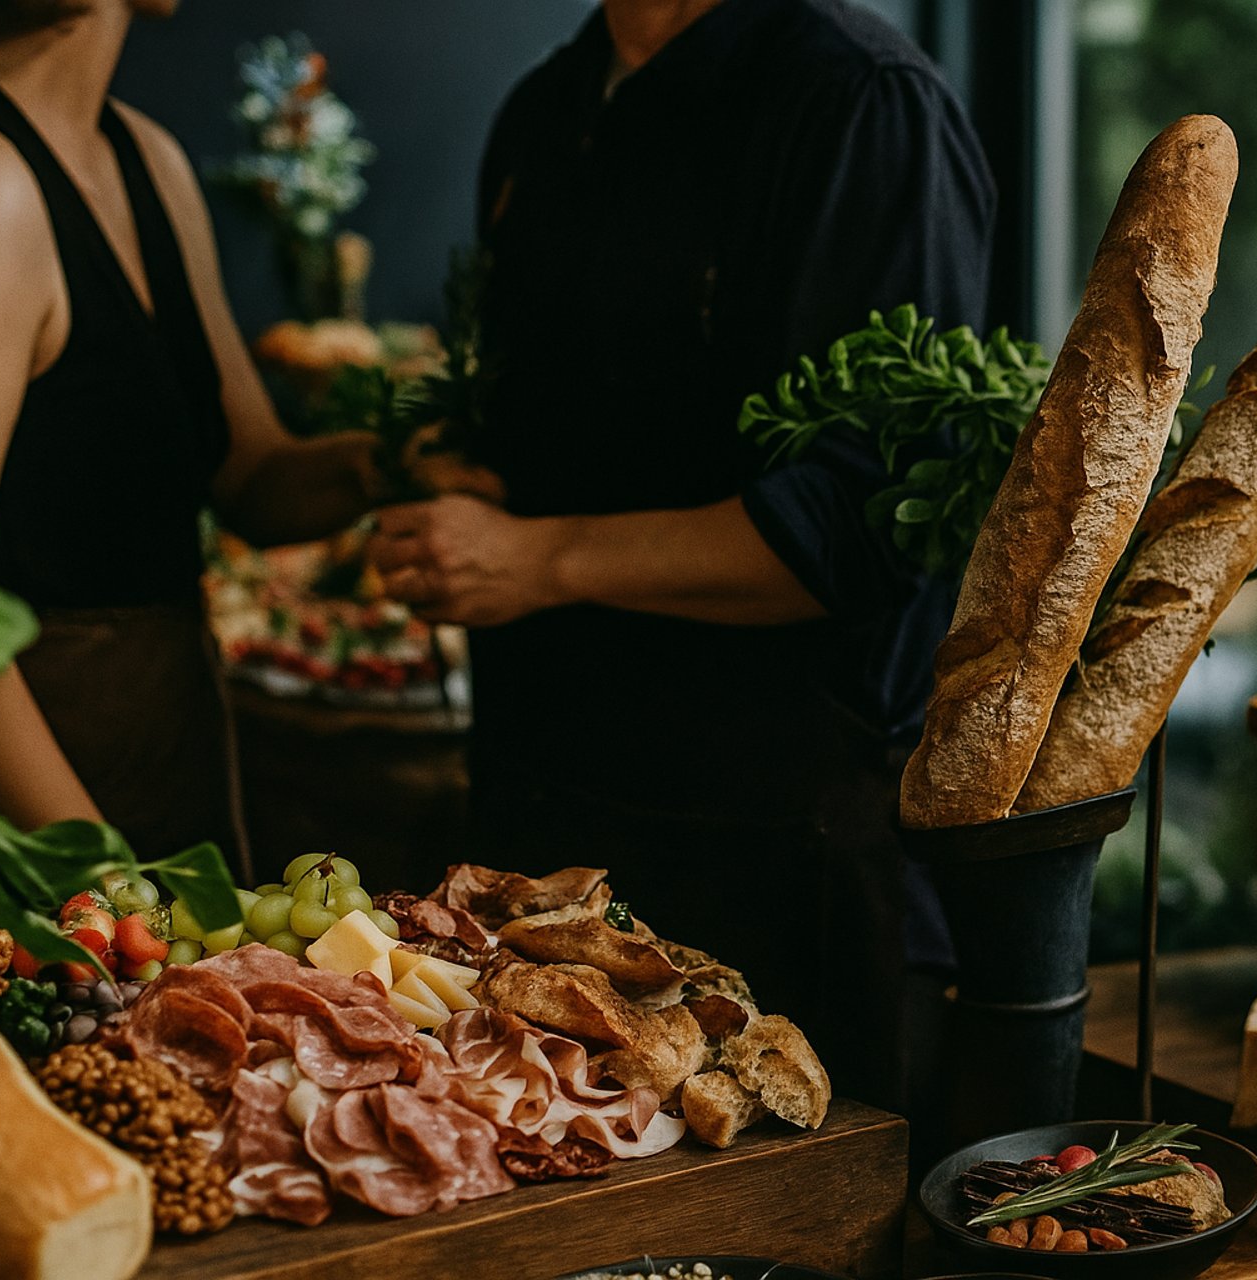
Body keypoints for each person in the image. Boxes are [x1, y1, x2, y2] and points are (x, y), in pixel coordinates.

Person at [367, 0, 995, 1109]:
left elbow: (856, 530)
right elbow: (579, 430)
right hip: (543, 835)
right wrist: (470, 471)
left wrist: (538, 558)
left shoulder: (861, 103)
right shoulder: (545, 109)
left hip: (769, 856)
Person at [0, 0, 383, 868]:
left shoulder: (144, 154)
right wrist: (108, 883)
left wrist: (403, 461)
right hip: (29, 850)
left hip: (163, 776)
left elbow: (250, 476)